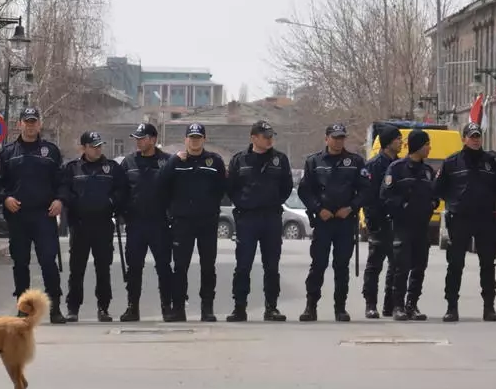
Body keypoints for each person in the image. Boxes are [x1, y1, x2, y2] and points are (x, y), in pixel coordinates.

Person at [0, 107, 67, 323]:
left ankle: (54, 308)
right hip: (18, 216)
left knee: (48, 261)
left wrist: (59, 200)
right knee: (20, 262)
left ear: (39, 124)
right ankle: (23, 306)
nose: (30, 125)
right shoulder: (8, 152)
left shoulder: (51, 151)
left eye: (33, 121)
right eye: (26, 122)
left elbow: (62, 182)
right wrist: (5, 198)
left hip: (43, 215)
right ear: (19, 124)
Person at [156, 123, 226, 322]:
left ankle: (207, 307)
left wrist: (210, 206)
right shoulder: (175, 161)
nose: (194, 141)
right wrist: (172, 162)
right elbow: (161, 184)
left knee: (208, 266)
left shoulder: (214, 161)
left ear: (204, 139)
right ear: (185, 139)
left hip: (207, 221)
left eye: (198, 137)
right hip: (182, 222)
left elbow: (221, 188)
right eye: (191, 137)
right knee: (180, 266)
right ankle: (178, 307)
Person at [435, 122, 496, 322]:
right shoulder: (452, 162)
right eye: (472, 136)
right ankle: (451, 306)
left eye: (478, 136)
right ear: (464, 138)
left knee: (488, 264)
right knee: (455, 264)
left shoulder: (492, 161)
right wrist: (455, 201)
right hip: (460, 219)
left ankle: (489, 307)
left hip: (485, 218)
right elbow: (438, 188)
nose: (475, 139)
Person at [297, 123, 367, 322]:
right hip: (323, 222)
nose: (338, 141)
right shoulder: (313, 161)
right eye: (335, 137)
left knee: (341, 266)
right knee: (318, 264)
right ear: (326, 138)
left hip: (345, 222)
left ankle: (340, 308)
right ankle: (311, 306)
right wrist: (319, 209)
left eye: (341, 137)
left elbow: (365, 190)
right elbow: (305, 191)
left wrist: (351, 207)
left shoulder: (355, 161)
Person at [226, 120, 293, 322]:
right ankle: (239, 308)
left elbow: (286, 187)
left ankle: (271, 307)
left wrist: (271, 202)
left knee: (271, 265)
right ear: (253, 138)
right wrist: (245, 203)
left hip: (271, 218)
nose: (269, 139)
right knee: (243, 265)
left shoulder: (280, 160)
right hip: (247, 219)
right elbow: (231, 188)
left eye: (271, 136)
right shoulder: (240, 160)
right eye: (265, 136)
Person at [63, 131, 128, 322]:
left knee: (103, 269)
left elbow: (122, 190)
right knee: (77, 269)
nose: (98, 149)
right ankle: (73, 308)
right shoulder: (73, 168)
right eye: (93, 146)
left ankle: (103, 308)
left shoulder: (112, 168)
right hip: (80, 225)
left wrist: (111, 201)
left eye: (100, 145)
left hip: (103, 224)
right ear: (83, 148)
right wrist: (74, 203)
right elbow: (65, 190)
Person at [381, 129, 438, 321]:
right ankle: (398, 305)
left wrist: (431, 205)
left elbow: (435, 195)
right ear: (418, 146)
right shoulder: (397, 168)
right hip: (402, 226)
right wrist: (404, 206)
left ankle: (412, 304)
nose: (429, 148)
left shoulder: (428, 171)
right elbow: (386, 195)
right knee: (401, 267)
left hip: (422, 226)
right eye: (427, 144)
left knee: (419, 266)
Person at [119, 122, 174, 321]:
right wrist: (123, 213)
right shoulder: (128, 162)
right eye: (137, 138)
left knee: (164, 267)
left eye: (142, 138)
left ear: (153, 139)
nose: (138, 142)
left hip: (160, 223)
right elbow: (121, 191)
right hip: (136, 224)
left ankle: (167, 307)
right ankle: (132, 307)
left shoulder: (167, 162)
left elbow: (174, 191)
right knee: (134, 267)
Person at [361, 124, 402, 319]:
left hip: (397, 223)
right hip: (379, 222)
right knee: (375, 265)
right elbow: (368, 197)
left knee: (396, 265)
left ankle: (390, 304)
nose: (401, 142)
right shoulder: (373, 166)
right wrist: (372, 221)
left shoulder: (401, 165)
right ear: (387, 144)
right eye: (397, 139)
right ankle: (371, 304)